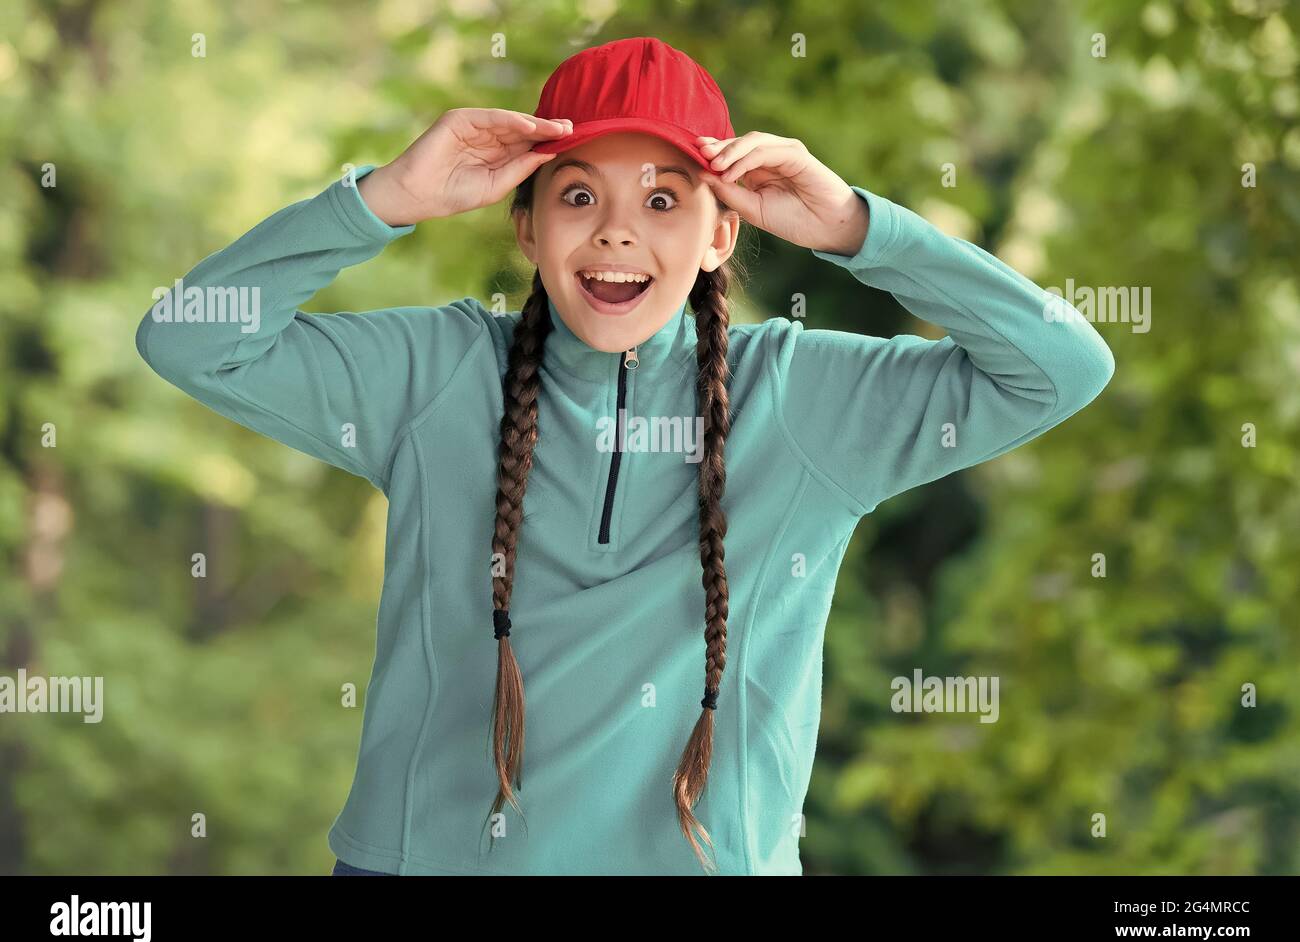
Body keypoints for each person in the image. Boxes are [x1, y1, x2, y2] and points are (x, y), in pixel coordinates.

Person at [135, 37, 1114, 875]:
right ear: (525, 226)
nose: (614, 228)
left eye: (661, 198)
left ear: (723, 229)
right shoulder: (433, 375)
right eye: (575, 193)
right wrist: (386, 195)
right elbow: (188, 335)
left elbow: (1062, 365)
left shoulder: (808, 397)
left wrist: (861, 228)